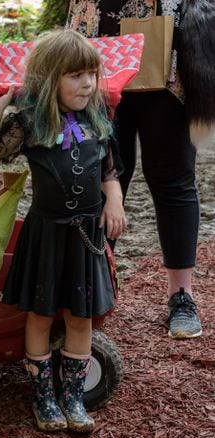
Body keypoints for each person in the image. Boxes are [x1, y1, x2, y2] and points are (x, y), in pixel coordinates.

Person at [0, 29, 127, 433]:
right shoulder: (30, 124)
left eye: (91, 75)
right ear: (49, 79)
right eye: (74, 75)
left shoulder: (98, 118)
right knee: (42, 314)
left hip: (86, 238)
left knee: (81, 317)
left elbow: (109, 170)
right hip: (46, 234)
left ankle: (74, 398)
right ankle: (44, 398)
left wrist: (114, 200)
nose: (86, 84)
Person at [67, 0, 211, 339]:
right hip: (97, 42)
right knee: (99, 176)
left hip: (167, 47)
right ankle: (94, 290)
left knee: (173, 176)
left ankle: (182, 297)